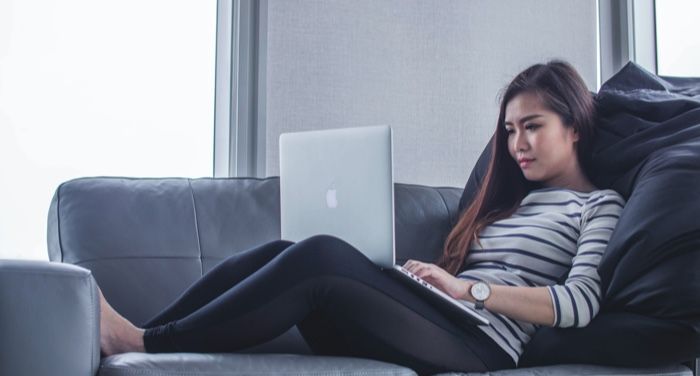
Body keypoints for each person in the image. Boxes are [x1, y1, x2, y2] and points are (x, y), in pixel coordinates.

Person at [99, 60, 626, 374]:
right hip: (441, 321)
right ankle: (146, 332)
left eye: (531, 126)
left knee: (322, 255)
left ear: (574, 125)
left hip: (484, 346)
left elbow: (579, 304)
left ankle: (143, 344)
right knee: (289, 251)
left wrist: (470, 291)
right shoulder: (510, 203)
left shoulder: (599, 205)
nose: (517, 144)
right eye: (509, 131)